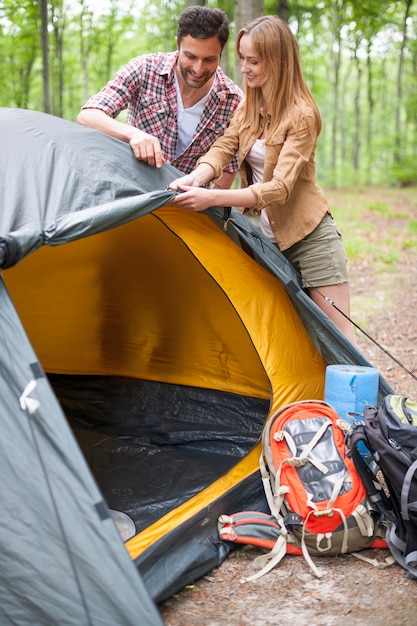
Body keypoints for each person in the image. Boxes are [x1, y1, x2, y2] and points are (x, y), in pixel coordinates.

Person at [169, 15, 356, 342]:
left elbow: (279, 188)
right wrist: (198, 177)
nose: (244, 68)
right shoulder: (249, 106)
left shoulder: (302, 114)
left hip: (311, 238)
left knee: (337, 337)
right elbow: (224, 146)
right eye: (242, 59)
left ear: (278, 61)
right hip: (268, 239)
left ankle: (368, 396)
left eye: (253, 61)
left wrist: (213, 197)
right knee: (285, 334)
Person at [77, 6, 243, 188]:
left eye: (209, 60)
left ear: (221, 52)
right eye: (190, 56)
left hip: (188, 206)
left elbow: (229, 167)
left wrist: (212, 208)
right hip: (132, 191)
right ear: (177, 44)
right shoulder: (145, 69)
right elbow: (88, 116)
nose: (198, 68)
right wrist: (133, 135)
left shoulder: (232, 99)